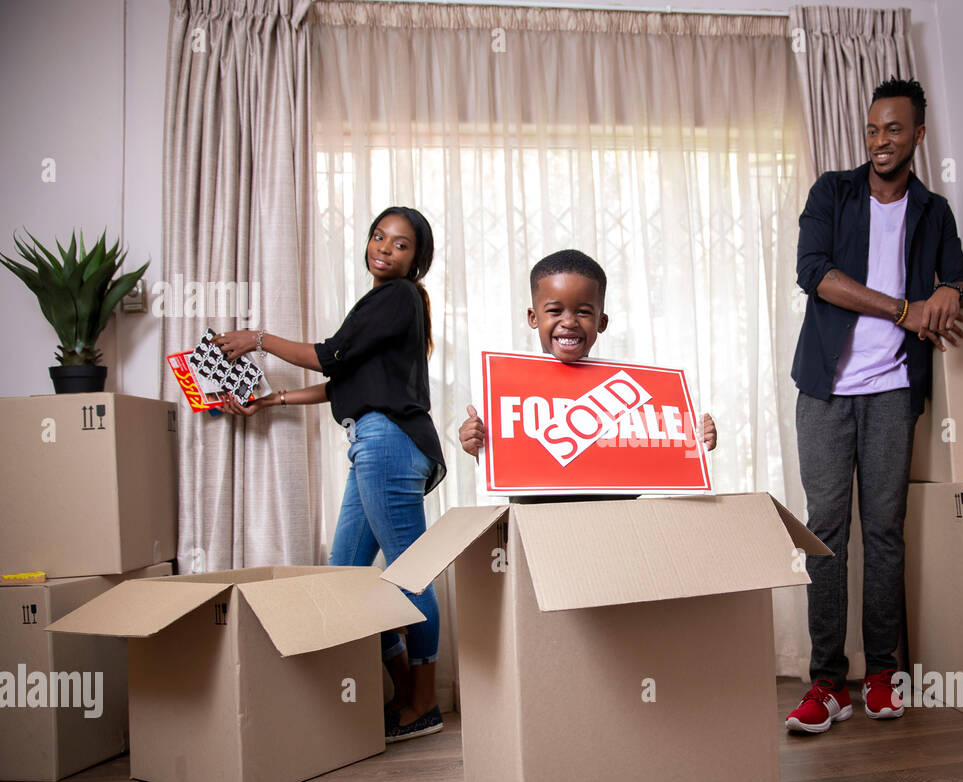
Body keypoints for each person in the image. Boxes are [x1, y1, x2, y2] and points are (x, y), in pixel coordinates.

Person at [785, 78, 963, 733]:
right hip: (826, 389)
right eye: (872, 129)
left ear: (918, 135)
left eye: (894, 129)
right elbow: (813, 272)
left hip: (894, 391)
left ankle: (883, 673)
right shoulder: (832, 193)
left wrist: (951, 289)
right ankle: (825, 682)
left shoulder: (934, 211)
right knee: (825, 534)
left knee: (886, 533)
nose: (880, 141)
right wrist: (904, 308)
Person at [214, 206, 448, 743]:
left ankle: (425, 701)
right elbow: (342, 379)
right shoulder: (380, 307)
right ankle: (400, 697)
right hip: (373, 440)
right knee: (346, 574)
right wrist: (271, 399)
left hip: (389, 442)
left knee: (407, 573)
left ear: (418, 259)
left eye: (401, 244)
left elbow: (328, 356)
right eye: (378, 237)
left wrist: (259, 338)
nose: (384, 248)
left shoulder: (398, 297)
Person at [457, 249, 716, 475]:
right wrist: (480, 445)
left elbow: (650, 461)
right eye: (555, 311)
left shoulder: (630, 393)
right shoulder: (509, 393)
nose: (569, 322)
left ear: (601, 322)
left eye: (583, 312)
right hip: (538, 523)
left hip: (612, 521)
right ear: (533, 317)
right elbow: (513, 465)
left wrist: (693, 440)